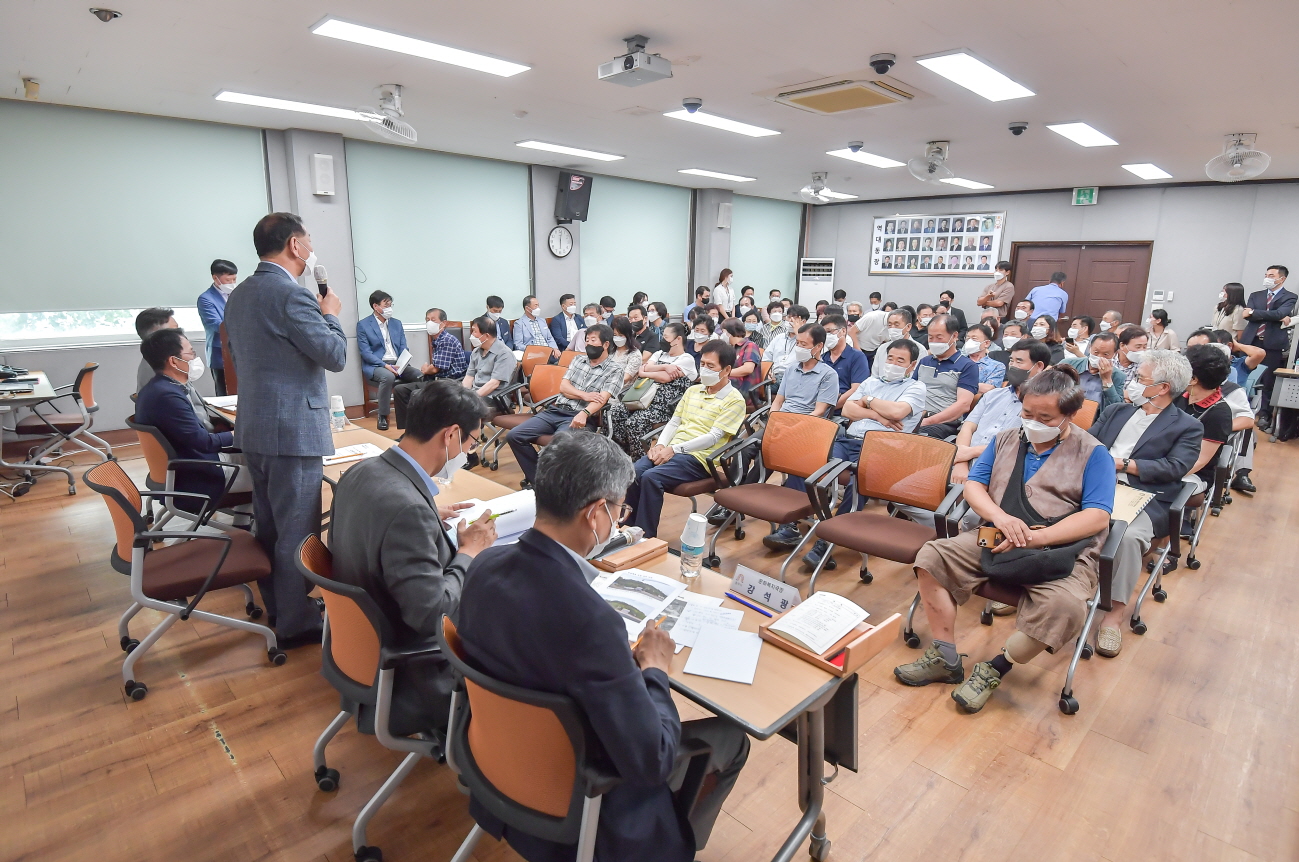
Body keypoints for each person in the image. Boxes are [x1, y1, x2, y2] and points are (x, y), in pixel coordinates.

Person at [457, 433, 750, 862]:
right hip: (577, 804)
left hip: (499, 770)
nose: (619, 521)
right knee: (732, 738)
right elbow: (652, 760)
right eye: (619, 510)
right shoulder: (592, 623)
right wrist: (654, 669)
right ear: (595, 513)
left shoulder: (484, 566)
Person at [893, 366, 1114, 713]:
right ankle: (945, 657)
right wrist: (1001, 517)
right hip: (996, 535)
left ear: (1070, 415)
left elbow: (1098, 516)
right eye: (1027, 413)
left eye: (1045, 417)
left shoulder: (1093, 453)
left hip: (1060, 550)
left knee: (1066, 607)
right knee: (933, 556)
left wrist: (1038, 538)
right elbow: (974, 485)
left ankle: (996, 667)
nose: (1033, 422)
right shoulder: (1006, 439)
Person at [330, 382, 497, 735]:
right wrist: (468, 552)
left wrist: (429, 513)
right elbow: (432, 614)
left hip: (364, 642)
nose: (470, 452)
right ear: (450, 435)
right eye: (471, 441)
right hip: (416, 669)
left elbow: (381, 526)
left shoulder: (362, 471)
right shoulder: (407, 510)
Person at [224, 212, 347, 647]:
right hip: (292, 430)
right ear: (295, 245)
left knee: (271, 527)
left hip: (255, 426)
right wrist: (330, 314)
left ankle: (279, 606)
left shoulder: (239, 294)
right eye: (308, 239)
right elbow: (334, 355)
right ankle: (297, 625)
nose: (311, 247)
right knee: (296, 531)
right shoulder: (292, 296)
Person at [1089, 350, 1202, 657]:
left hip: (1143, 494)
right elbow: (1087, 443)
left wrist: (1122, 464)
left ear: (1163, 387)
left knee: (1126, 538)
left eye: (1140, 378)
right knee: (1050, 509)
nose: (1132, 383)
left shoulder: (1187, 426)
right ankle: (1037, 586)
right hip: (1096, 484)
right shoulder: (1117, 412)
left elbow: (1176, 467)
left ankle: (1113, 616)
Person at [800, 340, 928, 567]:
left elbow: (897, 412)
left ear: (912, 365)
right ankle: (794, 526)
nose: (893, 364)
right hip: (849, 439)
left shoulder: (916, 388)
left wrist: (867, 401)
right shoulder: (871, 381)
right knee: (809, 461)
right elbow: (848, 410)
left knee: (860, 480)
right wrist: (877, 415)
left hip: (882, 448)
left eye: (900, 361)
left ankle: (827, 541)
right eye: (890, 358)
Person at [625, 341, 745, 538]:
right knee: (634, 471)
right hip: (673, 450)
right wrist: (661, 444)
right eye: (702, 364)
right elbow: (674, 422)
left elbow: (713, 437)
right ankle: (627, 530)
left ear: (727, 370)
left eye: (711, 366)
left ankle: (646, 537)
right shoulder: (693, 391)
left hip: (700, 459)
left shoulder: (734, 400)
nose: (704, 369)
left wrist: (674, 449)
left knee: (651, 478)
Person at [135, 328, 244, 512]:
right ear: (173, 361)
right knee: (271, 472)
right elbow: (205, 443)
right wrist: (240, 432)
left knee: (260, 461)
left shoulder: (161, 387)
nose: (195, 358)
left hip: (187, 465)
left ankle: (242, 523)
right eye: (191, 353)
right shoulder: (167, 396)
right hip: (197, 477)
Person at [507, 324, 624, 486]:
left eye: (593, 340)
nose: (588, 344)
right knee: (514, 436)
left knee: (558, 447)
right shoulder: (578, 359)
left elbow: (601, 399)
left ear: (605, 344)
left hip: (580, 416)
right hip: (555, 410)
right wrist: (585, 395)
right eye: (587, 340)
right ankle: (539, 482)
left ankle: (550, 485)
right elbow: (563, 387)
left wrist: (584, 413)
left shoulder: (615, 370)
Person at [762, 324, 842, 550]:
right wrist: (774, 420)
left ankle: (791, 526)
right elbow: (778, 400)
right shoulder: (791, 369)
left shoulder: (828, 375)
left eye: (804, 344)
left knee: (797, 457)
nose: (799, 348)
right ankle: (734, 506)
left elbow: (819, 412)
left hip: (806, 429)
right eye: (797, 343)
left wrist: (790, 427)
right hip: (781, 423)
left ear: (818, 347)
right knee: (753, 447)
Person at [951, 338, 1052, 483]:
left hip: (1001, 471)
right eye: (1011, 360)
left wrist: (971, 452)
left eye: (1019, 361)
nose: (1012, 365)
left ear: (1039, 366)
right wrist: (961, 463)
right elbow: (968, 427)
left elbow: (1022, 447)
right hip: (963, 462)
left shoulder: (1043, 406)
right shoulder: (993, 395)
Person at [607, 322, 698, 460]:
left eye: (666, 337)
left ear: (678, 339)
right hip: (642, 398)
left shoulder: (686, 359)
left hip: (664, 406)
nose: (662, 340)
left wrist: (649, 371)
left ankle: (638, 459)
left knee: (635, 422)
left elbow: (664, 378)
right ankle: (621, 454)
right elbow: (641, 370)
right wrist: (666, 367)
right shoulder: (659, 353)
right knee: (615, 412)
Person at [393, 308, 470, 430]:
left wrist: (426, 369)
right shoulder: (437, 340)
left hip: (450, 382)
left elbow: (435, 369)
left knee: (411, 393)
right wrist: (428, 369)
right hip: (438, 380)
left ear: (443, 323)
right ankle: (408, 431)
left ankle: (416, 430)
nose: (429, 323)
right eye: (427, 320)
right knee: (400, 389)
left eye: (433, 320)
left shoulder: (447, 340)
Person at [357, 290, 422, 431]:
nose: (389, 308)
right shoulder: (363, 325)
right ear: (375, 306)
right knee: (388, 377)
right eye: (386, 305)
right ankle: (383, 415)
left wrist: (402, 362)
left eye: (390, 305)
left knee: (419, 375)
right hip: (377, 365)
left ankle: (418, 413)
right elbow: (366, 353)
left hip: (398, 363)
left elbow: (404, 346)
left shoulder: (396, 323)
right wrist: (385, 365)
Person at [1241, 264, 1296, 427]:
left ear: (1282, 278)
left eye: (1271, 276)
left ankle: (1264, 415)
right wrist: (1274, 316)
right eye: (1266, 275)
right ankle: (1242, 409)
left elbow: (1280, 313)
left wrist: (1254, 312)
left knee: (1268, 381)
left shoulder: (1290, 296)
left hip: (1272, 344)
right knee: (1243, 375)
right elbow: (1247, 316)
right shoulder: (1256, 295)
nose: (1267, 278)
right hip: (1251, 341)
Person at [915, 315, 979, 439]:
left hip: (944, 423)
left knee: (915, 437)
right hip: (916, 417)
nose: (934, 342)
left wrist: (927, 421)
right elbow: (911, 390)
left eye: (939, 337)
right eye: (930, 337)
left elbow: (963, 404)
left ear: (954, 336)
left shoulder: (967, 366)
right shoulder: (924, 361)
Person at [462, 315, 518, 415]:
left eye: (474, 331)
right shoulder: (476, 352)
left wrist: (472, 398)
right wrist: (463, 395)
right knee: (452, 402)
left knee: (464, 409)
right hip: (476, 394)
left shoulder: (504, 354)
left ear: (486, 336)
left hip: (495, 397)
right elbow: (469, 377)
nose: (472, 335)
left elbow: (494, 384)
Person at [197, 259, 237, 396]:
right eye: (228, 280)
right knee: (224, 394)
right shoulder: (206, 299)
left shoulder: (237, 294)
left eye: (234, 279)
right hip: (220, 353)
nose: (232, 283)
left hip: (239, 352)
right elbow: (215, 324)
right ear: (215, 278)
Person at [1061, 331, 1126, 408]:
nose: (1099, 357)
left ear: (1115, 354)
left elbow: (1116, 407)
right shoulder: (1068, 364)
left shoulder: (1118, 376)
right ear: (1089, 348)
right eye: (1096, 352)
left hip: (1096, 415)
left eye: (1105, 354)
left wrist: (1107, 381)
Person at [819, 313, 870, 409]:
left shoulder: (857, 357)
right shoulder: (822, 358)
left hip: (842, 409)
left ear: (843, 331)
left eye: (829, 331)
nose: (826, 336)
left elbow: (857, 389)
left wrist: (830, 407)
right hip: (819, 406)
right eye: (824, 333)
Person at [134, 306, 179, 392]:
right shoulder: (159, 368)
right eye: (175, 331)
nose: (181, 336)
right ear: (157, 337)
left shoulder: (165, 359)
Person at [871, 308, 925, 376]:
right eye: (890, 325)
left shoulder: (920, 350)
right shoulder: (882, 348)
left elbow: (920, 376)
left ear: (908, 327)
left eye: (896, 325)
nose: (892, 328)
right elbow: (875, 375)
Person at [512, 294, 561, 360]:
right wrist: (534, 350)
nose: (538, 308)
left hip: (548, 352)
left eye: (538, 305)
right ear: (527, 308)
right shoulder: (519, 323)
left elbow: (549, 338)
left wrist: (555, 349)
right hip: (533, 354)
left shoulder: (542, 321)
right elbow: (518, 344)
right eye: (535, 305)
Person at [762, 302, 802, 382]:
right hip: (775, 377)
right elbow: (766, 357)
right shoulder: (779, 337)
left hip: (795, 377)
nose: (790, 321)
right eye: (789, 317)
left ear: (803, 321)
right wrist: (768, 371)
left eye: (794, 318)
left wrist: (798, 333)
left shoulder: (807, 339)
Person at [960, 323, 1005, 394]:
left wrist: (957, 385)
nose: (969, 342)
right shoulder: (957, 361)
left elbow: (989, 390)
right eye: (968, 338)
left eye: (974, 339)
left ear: (986, 343)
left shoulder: (996, 366)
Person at [607, 315, 643, 387]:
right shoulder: (610, 350)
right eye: (615, 335)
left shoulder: (635, 354)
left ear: (628, 335)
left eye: (621, 335)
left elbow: (625, 378)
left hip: (622, 390)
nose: (617, 338)